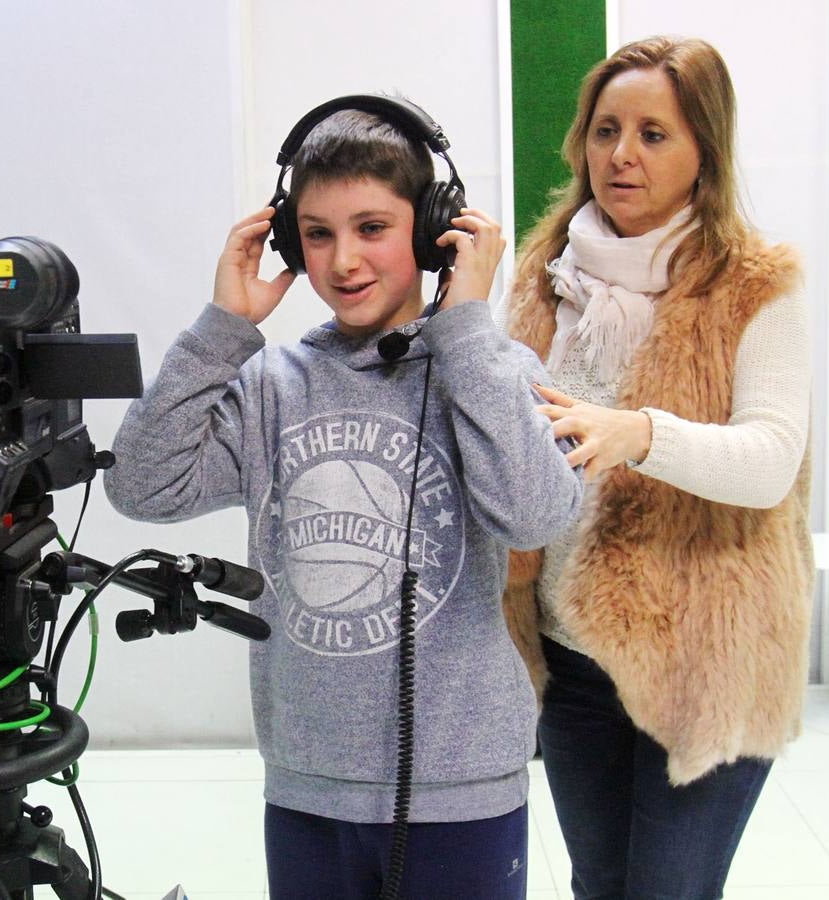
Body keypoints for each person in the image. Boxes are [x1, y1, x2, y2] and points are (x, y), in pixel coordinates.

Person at [104, 97, 583, 898]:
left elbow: (536, 513)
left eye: (372, 228)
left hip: (463, 789)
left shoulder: (489, 373)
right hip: (307, 784)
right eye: (318, 234)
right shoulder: (270, 387)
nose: (343, 261)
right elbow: (140, 485)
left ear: (434, 233)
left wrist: (463, 327)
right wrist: (223, 328)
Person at [499, 36, 812, 900]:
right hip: (572, 655)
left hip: (707, 661)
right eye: (605, 131)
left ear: (705, 151)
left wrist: (642, 431)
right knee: (599, 885)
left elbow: (770, 462)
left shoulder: (754, 287)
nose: (621, 155)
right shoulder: (543, 277)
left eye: (652, 134)